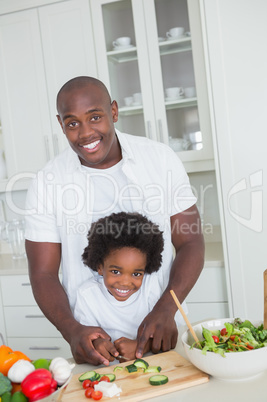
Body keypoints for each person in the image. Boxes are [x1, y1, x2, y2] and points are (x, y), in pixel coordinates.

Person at [25, 76, 204, 366]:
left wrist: (165, 310)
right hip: (94, 347)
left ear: (114, 112)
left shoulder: (160, 160)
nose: (85, 133)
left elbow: (191, 241)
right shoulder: (47, 182)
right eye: (72, 123)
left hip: (164, 335)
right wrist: (72, 330)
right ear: (61, 125)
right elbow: (43, 273)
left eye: (95, 117)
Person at [74, 211, 187, 361]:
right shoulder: (87, 295)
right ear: (100, 267)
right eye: (116, 271)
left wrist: (141, 348)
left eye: (136, 274)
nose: (126, 282)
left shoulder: (150, 286)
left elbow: (164, 334)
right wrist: (98, 344)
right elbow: (86, 338)